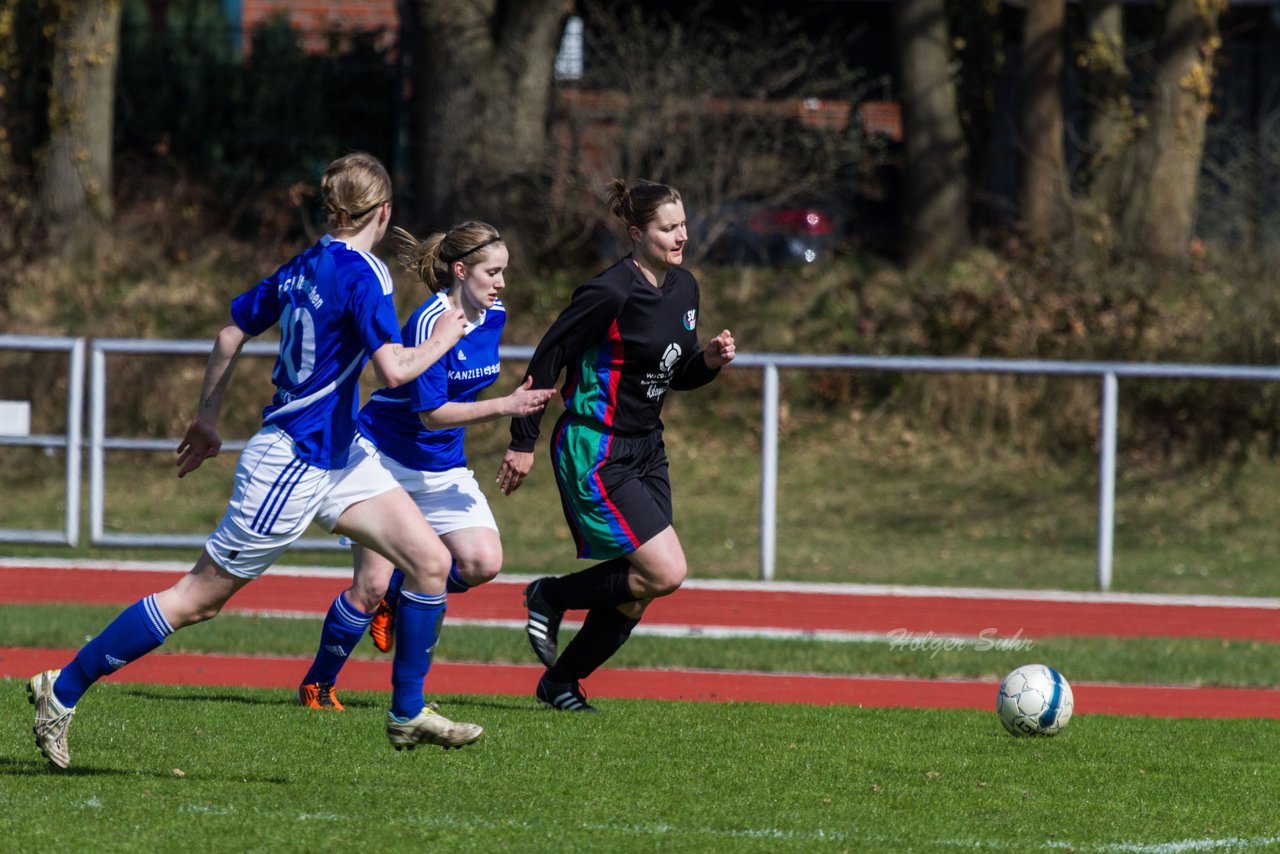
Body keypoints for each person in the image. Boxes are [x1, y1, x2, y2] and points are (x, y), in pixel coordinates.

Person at [28, 152, 483, 770]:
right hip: (293, 462)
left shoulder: (303, 266)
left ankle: (406, 715)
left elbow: (228, 335)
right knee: (198, 599)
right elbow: (395, 371)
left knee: (431, 561)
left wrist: (207, 418)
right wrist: (443, 337)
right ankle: (63, 689)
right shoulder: (367, 274)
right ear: (384, 211)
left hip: (339, 455)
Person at [496, 179, 736, 711]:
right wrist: (523, 441)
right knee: (666, 571)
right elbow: (547, 358)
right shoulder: (609, 291)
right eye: (667, 228)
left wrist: (711, 363)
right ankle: (550, 595)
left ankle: (561, 681)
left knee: (643, 587)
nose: (681, 236)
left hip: (648, 447)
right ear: (636, 233)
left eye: (682, 225)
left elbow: (678, 374)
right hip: (594, 448)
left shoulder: (685, 288)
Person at [297, 222, 554, 710]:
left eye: (503, 272)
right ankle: (318, 683)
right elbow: (431, 415)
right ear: (460, 270)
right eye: (491, 272)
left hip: (442, 466)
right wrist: (506, 406)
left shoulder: (493, 315)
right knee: (368, 586)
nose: (501, 283)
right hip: (383, 460)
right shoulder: (430, 321)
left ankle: (400, 588)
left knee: (483, 562)